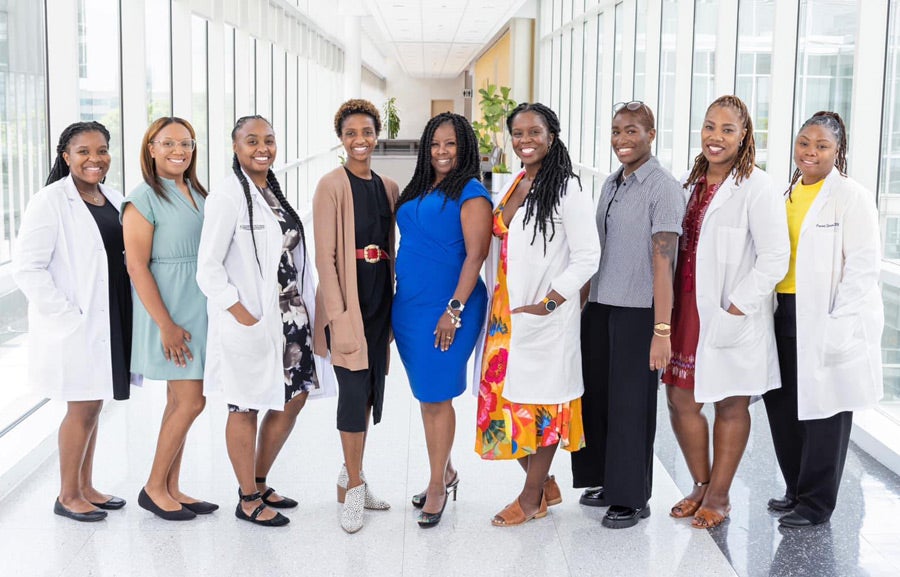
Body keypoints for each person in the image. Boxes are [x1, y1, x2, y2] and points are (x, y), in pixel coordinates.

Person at [662, 95, 789, 529]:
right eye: (709, 126)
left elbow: (775, 257)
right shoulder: (686, 182)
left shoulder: (757, 185)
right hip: (686, 311)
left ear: (744, 136)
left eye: (727, 130)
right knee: (680, 400)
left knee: (732, 404)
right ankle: (700, 483)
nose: (716, 137)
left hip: (730, 314)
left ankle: (719, 495)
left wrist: (736, 309)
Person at [197, 115, 328, 527]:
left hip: (290, 316)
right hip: (253, 319)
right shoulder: (227, 196)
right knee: (245, 405)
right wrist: (243, 315)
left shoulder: (269, 189)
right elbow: (208, 268)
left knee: (294, 396)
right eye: (251, 140)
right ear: (235, 147)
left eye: (269, 140)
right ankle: (247, 497)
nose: (262, 148)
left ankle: (258, 479)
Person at [476, 103, 600, 527]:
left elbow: (588, 257)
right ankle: (543, 483)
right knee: (504, 402)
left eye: (535, 132)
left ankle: (531, 498)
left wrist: (549, 303)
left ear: (552, 135)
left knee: (541, 406)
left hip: (542, 312)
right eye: (518, 133)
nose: (525, 140)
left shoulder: (567, 188)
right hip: (506, 312)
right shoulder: (516, 182)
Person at [764, 111, 883, 528]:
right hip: (784, 312)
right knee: (783, 406)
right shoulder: (787, 193)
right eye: (804, 142)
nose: (810, 152)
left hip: (826, 316)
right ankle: (795, 488)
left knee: (825, 415)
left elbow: (863, 266)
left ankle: (816, 504)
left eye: (822, 146)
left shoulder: (851, 196)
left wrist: (838, 324)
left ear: (838, 151)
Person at [13, 121, 135, 522]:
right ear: (66, 156)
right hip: (77, 323)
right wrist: (67, 316)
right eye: (83, 151)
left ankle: (87, 485)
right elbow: (27, 268)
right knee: (81, 407)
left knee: (94, 404)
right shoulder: (49, 201)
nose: (94, 159)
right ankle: (67, 494)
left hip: (110, 315)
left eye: (101, 150)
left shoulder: (112, 197)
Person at [571, 101, 685, 529]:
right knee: (598, 398)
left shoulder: (663, 186)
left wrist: (662, 330)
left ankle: (632, 497)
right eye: (617, 131)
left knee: (631, 406)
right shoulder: (613, 183)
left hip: (639, 312)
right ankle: (605, 479)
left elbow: (664, 262)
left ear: (651, 134)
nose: (622, 139)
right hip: (601, 305)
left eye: (632, 131)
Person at [392, 112, 492, 528]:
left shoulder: (471, 193)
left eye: (450, 144)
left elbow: (476, 255)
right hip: (410, 307)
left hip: (451, 307)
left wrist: (453, 310)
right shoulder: (418, 187)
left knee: (437, 397)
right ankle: (445, 470)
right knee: (426, 397)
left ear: (464, 147)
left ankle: (437, 486)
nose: (442, 151)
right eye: (435, 143)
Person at [123, 117, 217, 521]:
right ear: (151, 148)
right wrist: (166, 324)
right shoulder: (143, 198)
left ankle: (171, 487)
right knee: (192, 400)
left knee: (180, 401)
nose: (179, 150)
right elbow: (137, 267)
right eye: (169, 143)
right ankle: (153, 486)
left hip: (200, 302)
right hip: (171, 307)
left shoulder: (196, 190)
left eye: (186, 143)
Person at [313, 99, 399, 533]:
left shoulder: (387, 186)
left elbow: (391, 246)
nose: (359, 140)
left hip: (380, 298)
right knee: (351, 392)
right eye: (351, 133)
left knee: (368, 392)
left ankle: (352, 476)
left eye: (366, 132)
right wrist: (338, 314)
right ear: (341, 138)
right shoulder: (331, 184)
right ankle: (354, 489)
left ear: (376, 134)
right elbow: (325, 258)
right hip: (347, 298)